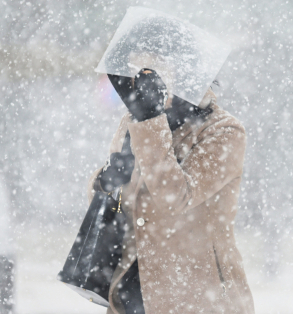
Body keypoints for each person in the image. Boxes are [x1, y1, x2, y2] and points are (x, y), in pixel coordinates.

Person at [86, 67, 255, 314]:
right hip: (131, 291)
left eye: (157, 70)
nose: (147, 77)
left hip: (196, 296)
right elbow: (110, 205)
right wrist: (105, 181)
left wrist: (149, 121)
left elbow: (176, 197)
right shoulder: (134, 118)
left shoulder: (224, 131)